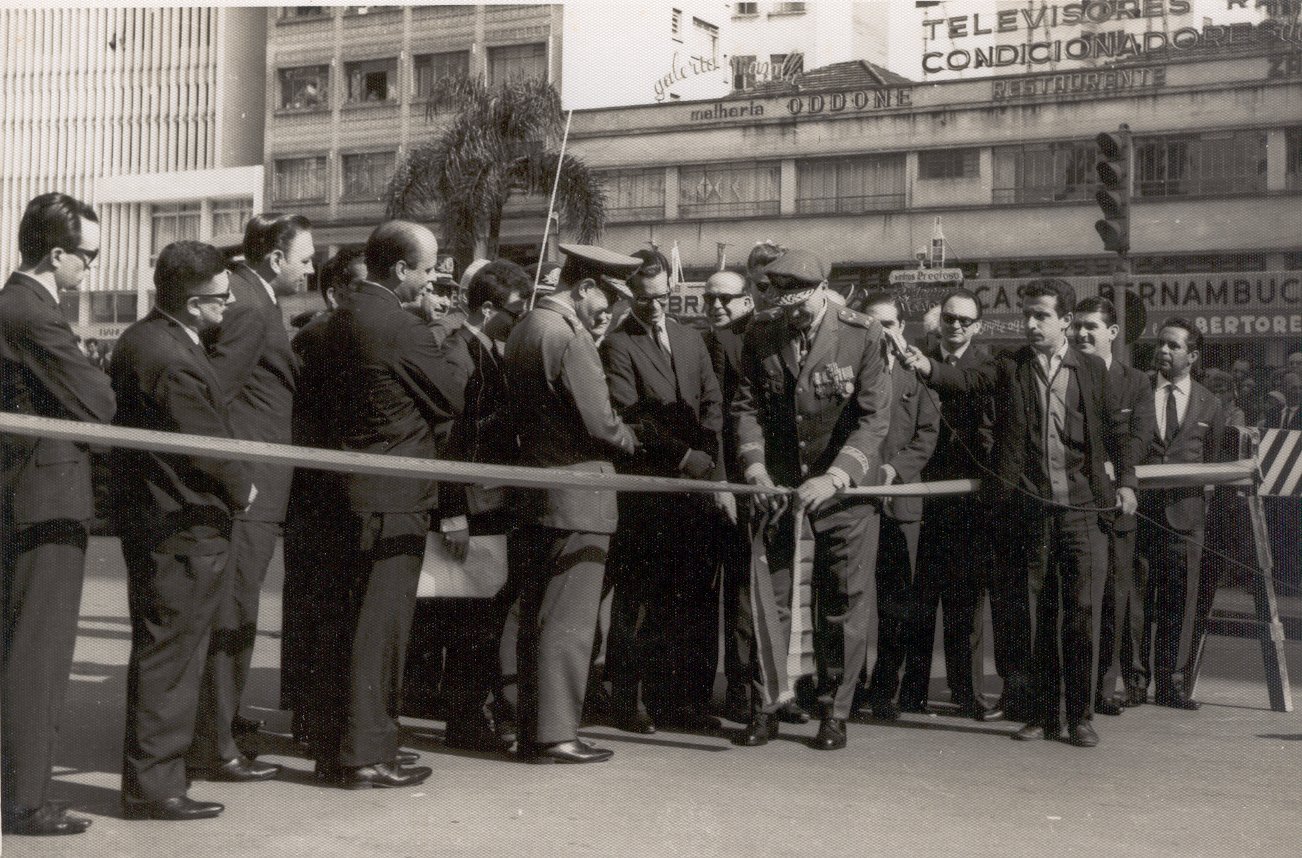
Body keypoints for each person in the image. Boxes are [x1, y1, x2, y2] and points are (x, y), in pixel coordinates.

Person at [900, 278, 1137, 748]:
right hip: (1027, 513)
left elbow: (1117, 432)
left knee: (1081, 615)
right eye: (1026, 315)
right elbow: (967, 380)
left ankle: (1079, 715)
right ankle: (1040, 714)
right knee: (1033, 618)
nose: (1030, 324)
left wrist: (1126, 482)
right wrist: (926, 366)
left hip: (1082, 513)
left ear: (1065, 321)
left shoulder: (1091, 370)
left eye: (1040, 316)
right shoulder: (1009, 364)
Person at [306, 220, 456, 789]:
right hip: (392, 500)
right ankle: (367, 753)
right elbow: (452, 396)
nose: (433, 277)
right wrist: (450, 336)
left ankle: (334, 747)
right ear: (400, 270)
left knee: (341, 627)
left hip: (337, 496)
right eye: (428, 267)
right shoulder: (405, 326)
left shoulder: (330, 323)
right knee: (379, 631)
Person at [110, 240, 255, 819]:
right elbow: (204, 446)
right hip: (181, 525)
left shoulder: (149, 338)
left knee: (167, 652)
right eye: (222, 299)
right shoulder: (170, 357)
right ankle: (154, 786)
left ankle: (158, 777)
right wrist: (243, 487)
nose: (228, 307)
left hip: (163, 520)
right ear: (195, 303)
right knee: (170, 655)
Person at [732, 249, 891, 751]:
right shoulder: (761, 332)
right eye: (784, 306)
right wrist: (754, 466)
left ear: (823, 291)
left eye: (800, 308)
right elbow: (747, 406)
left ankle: (834, 712)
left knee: (843, 603)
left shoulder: (863, 333)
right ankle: (767, 706)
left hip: (843, 495)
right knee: (770, 600)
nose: (792, 317)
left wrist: (838, 477)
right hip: (778, 490)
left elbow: (873, 419)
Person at [1, 192, 115, 836]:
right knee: (37, 655)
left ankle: (18, 790)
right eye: (88, 257)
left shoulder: (19, 305)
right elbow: (98, 400)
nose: (91, 270)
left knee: (23, 648)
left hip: (27, 490)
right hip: (43, 495)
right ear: (56, 254)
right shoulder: (31, 312)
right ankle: (25, 799)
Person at [502, 243, 642, 764]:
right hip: (579, 492)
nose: (608, 310)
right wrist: (632, 439)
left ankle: (532, 727)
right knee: (569, 618)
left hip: (535, 490)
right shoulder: (569, 337)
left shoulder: (526, 326)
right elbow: (601, 423)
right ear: (583, 288)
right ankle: (556, 732)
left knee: (536, 613)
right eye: (605, 297)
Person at [187, 213, 312, 781]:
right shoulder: (251, 305)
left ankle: (225, 723)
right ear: (274, 259)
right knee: (234, 611)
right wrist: (237, 478)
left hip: (254, 482)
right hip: (250, 487)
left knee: (235, 610)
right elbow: (213, 393)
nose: (310, 270)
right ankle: (216, 746)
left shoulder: (248, 295)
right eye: (304, 259)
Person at [601, 250, 726, 735]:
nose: (654, 306)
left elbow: (712, 400)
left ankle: (679, 703)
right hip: (648, 498)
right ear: (630, 293)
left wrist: (707, 456)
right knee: (639, 603)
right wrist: (683, 457)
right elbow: (632, 418)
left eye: (662, 297)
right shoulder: (618, 344)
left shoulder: (691, 338)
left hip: (693, 495)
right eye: (643, 297)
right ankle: (626, 702)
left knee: (684, 603)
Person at [435, 259, 531, 752]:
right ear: (488, 307)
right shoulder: (459, 353)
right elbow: (450, 442)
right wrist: (452, 516)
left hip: (494, 502)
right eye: (515, 311)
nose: (521, 320)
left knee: (488, 618)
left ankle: (476, 715)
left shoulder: (491, 348)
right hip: (472, 508)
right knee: (472, 622)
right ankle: (466, 719)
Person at [898, 288, 1003, 722]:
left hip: (968, 502)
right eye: (950, 318)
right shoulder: (914, 359)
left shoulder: (990, 364)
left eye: (965, 320)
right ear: (939, 321)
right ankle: (911, 694)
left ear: (977, 326)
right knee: (918, 601)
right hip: (920, 493)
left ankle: (968, 694)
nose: (956, 325)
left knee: (965, 606)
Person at [280, 247, 365, 741]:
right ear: (335, 292)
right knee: (319, 607)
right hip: (319, 491)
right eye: (358, 286)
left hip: (327, 488)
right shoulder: (321, 336)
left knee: (326, 607)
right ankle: (311, 717)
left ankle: (313, 715)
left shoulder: (340, 332)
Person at [1135, 318, 1229, 710]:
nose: (1164, 351)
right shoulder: (1138, 390)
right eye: (1161, 344)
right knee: (1136, 600)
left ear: (1192, 355)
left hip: (1186, 519)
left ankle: (1172, 682)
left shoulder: (1210, 402)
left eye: (1173, 346)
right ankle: (1136, 680)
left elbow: (1214, 460)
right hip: (1140, 515)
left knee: (1179, 599)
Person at [1071, 297, 1155, 716]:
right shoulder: (1063, 372)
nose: (1082, 334)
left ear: (1112, 332)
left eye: (1091, 327)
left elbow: (1138, 437)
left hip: (1116, 503)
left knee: (1116, 596)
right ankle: (1073, 687)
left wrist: (1123, 478)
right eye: (1077, 326)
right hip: (1073, 502)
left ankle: (1104, 687)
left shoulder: (1136, 381)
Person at [857, 293, 939, 720]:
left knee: (896, 604)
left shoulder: (915, 376)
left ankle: (884, 689)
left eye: (889, 324)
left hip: (902, 504)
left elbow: (927, 435)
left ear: (901, 328)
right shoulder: (852, 369)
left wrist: (894, 470)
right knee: (851, 601)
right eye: (874, 324)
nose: (883, 333)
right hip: (856, 502)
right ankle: (848, 689)